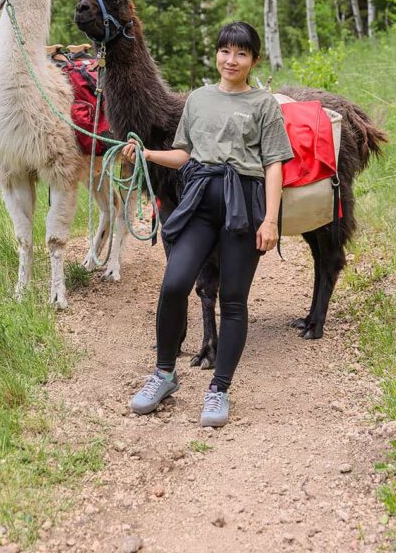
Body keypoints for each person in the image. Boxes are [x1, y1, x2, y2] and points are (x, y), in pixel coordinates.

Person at [123, 21, 293, 428]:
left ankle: (219, 389)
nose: (231, 60)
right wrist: (146, 154)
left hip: (244, 206)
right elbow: (184, 154)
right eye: (225, 51)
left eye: (241, 54)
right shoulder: (197, 100)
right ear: (216, 54)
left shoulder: (264, 104)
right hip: (199, 201)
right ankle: (164, 374)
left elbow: (273, 165)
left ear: (253, 60)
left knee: (233, 299)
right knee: (175, 283)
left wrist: (270, 219)